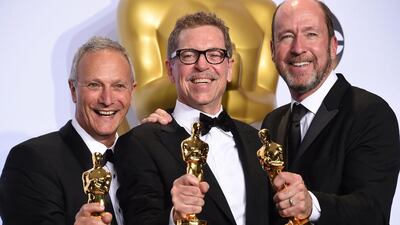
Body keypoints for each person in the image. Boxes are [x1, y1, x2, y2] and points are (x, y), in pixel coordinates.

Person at [114, 11, 272, 225]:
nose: (202, 65)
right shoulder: (140, 143)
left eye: (214, 54)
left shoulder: (257, 141)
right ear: (171, 70)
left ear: (229, 69)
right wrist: (175, 217)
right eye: (188, 55)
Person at [261, 0, 400, 224]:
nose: (298, 48)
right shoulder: (273, 121)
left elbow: (373, 211)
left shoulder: (371, 113)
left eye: (311, 34)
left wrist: (311, 205)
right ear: (272, 51)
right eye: (286, 36)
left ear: (334, 46)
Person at [0, 36, 136, 225]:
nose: (107, 99)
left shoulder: (143, 154)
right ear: (73, 90)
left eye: (118, 86)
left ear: (132, 91)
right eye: (94, 85)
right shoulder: (30, 160)